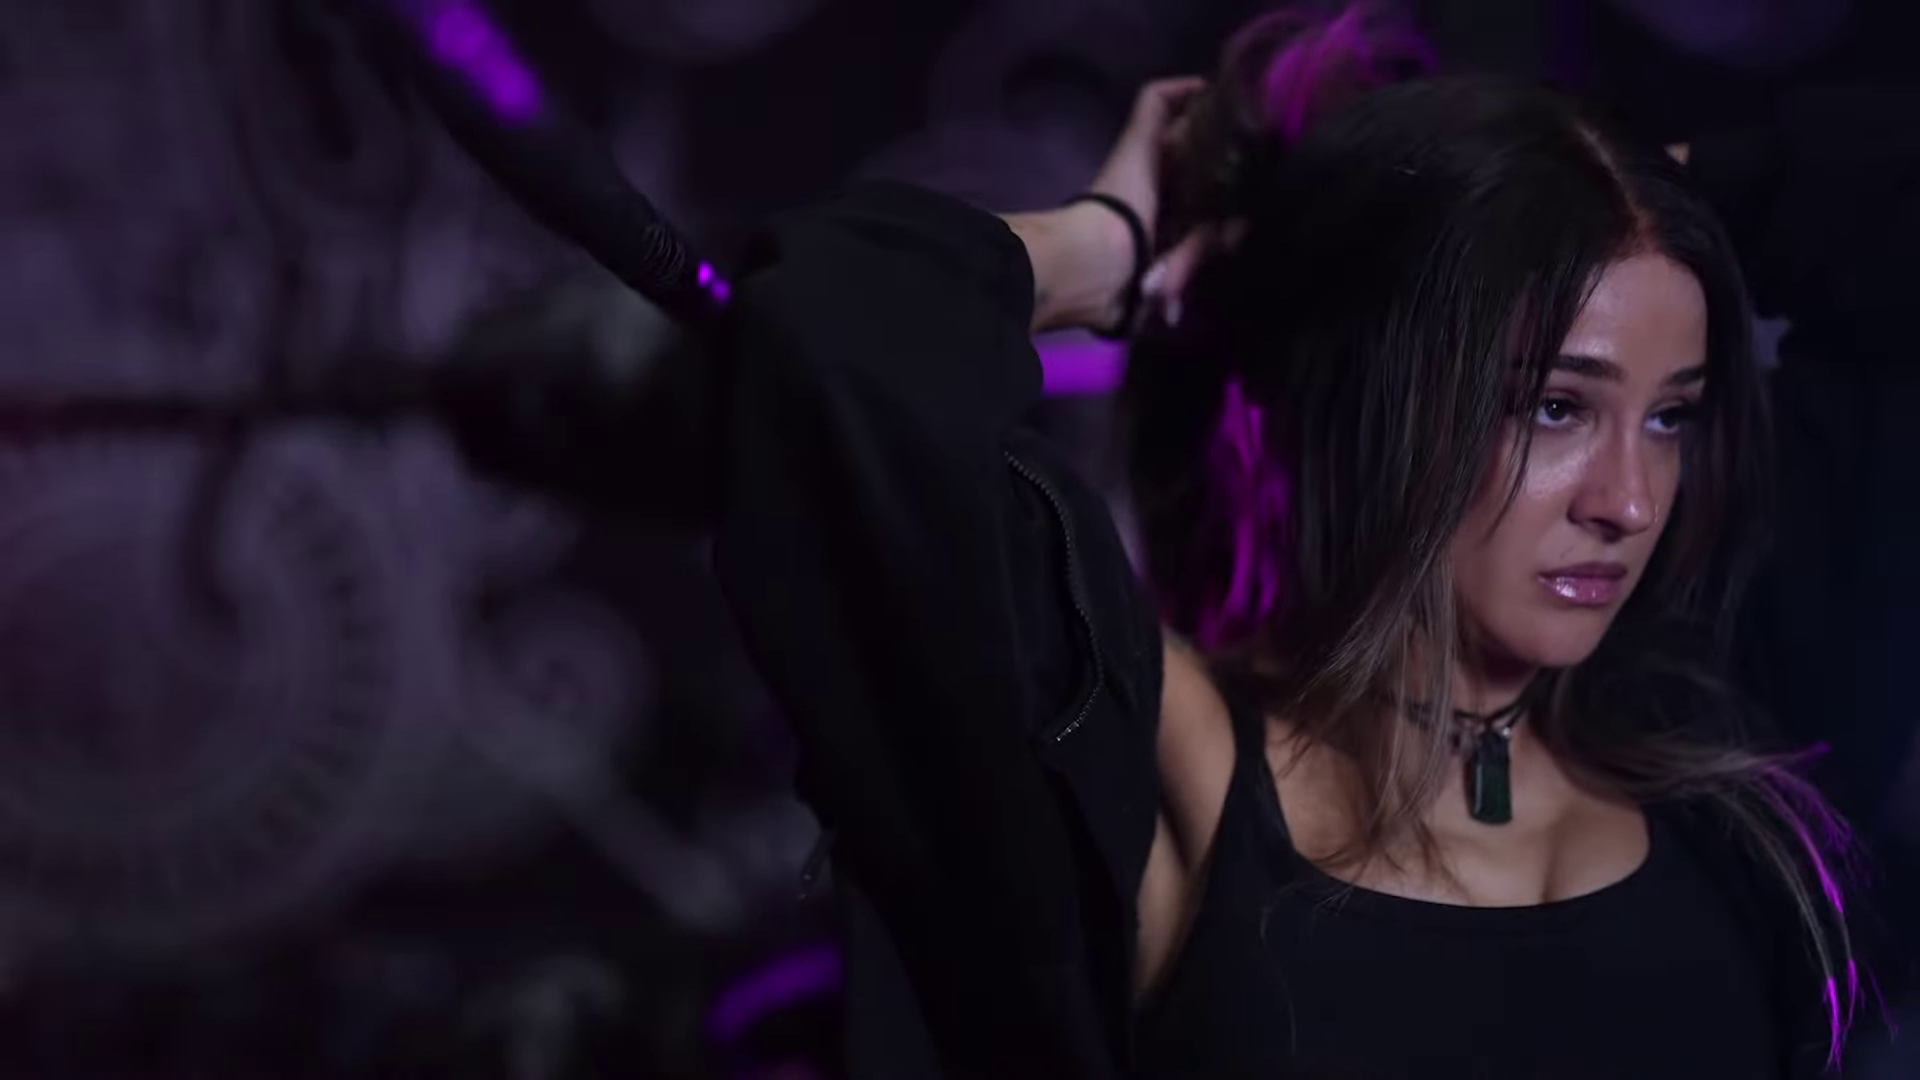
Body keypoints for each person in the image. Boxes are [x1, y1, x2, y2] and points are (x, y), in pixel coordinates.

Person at [710, 5, 1864, 1077]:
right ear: (1368, 397)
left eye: (1669, 418)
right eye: (1558, 407)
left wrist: (1618, 178)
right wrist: (1105, 247)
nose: (1630, 502)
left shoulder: (1734, 778)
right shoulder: (1176, 769)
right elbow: (827, 328)